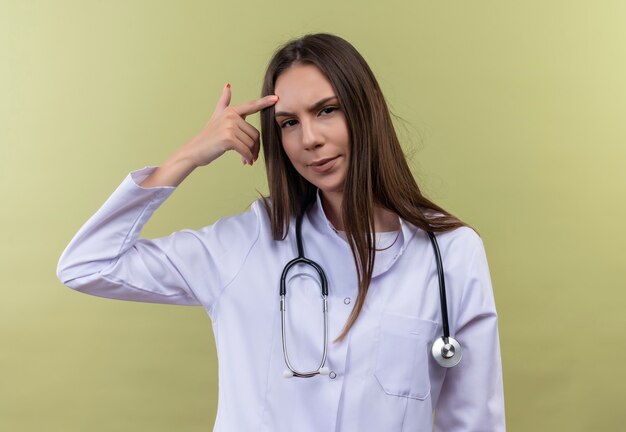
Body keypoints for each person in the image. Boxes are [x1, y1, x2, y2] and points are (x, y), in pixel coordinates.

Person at [57, 33, 505, 431]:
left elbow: (475, 421)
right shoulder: (246, 244)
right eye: (289, 123)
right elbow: (86, 264)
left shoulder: (450, 253)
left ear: (366, 112)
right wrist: (189, 155)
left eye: (327, 111)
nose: (309, 138)